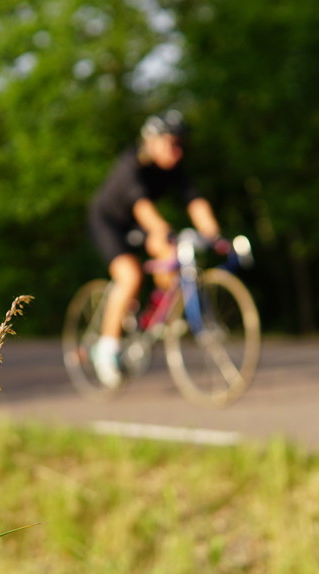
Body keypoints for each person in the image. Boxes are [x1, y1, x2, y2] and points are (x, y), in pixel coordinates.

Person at [88, 110, 222, 387]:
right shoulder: (132, 165)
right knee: (130, 275)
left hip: (138, 224)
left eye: (180, 144)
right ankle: (106, 348)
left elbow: (195, 202)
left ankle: (155, 316)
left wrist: (214, 235)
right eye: (170, 143)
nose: (176, 151)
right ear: (151, 141)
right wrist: (164, 230)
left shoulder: (174, 168)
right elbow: (143, 208)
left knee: (171, 255)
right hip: (109, 222)